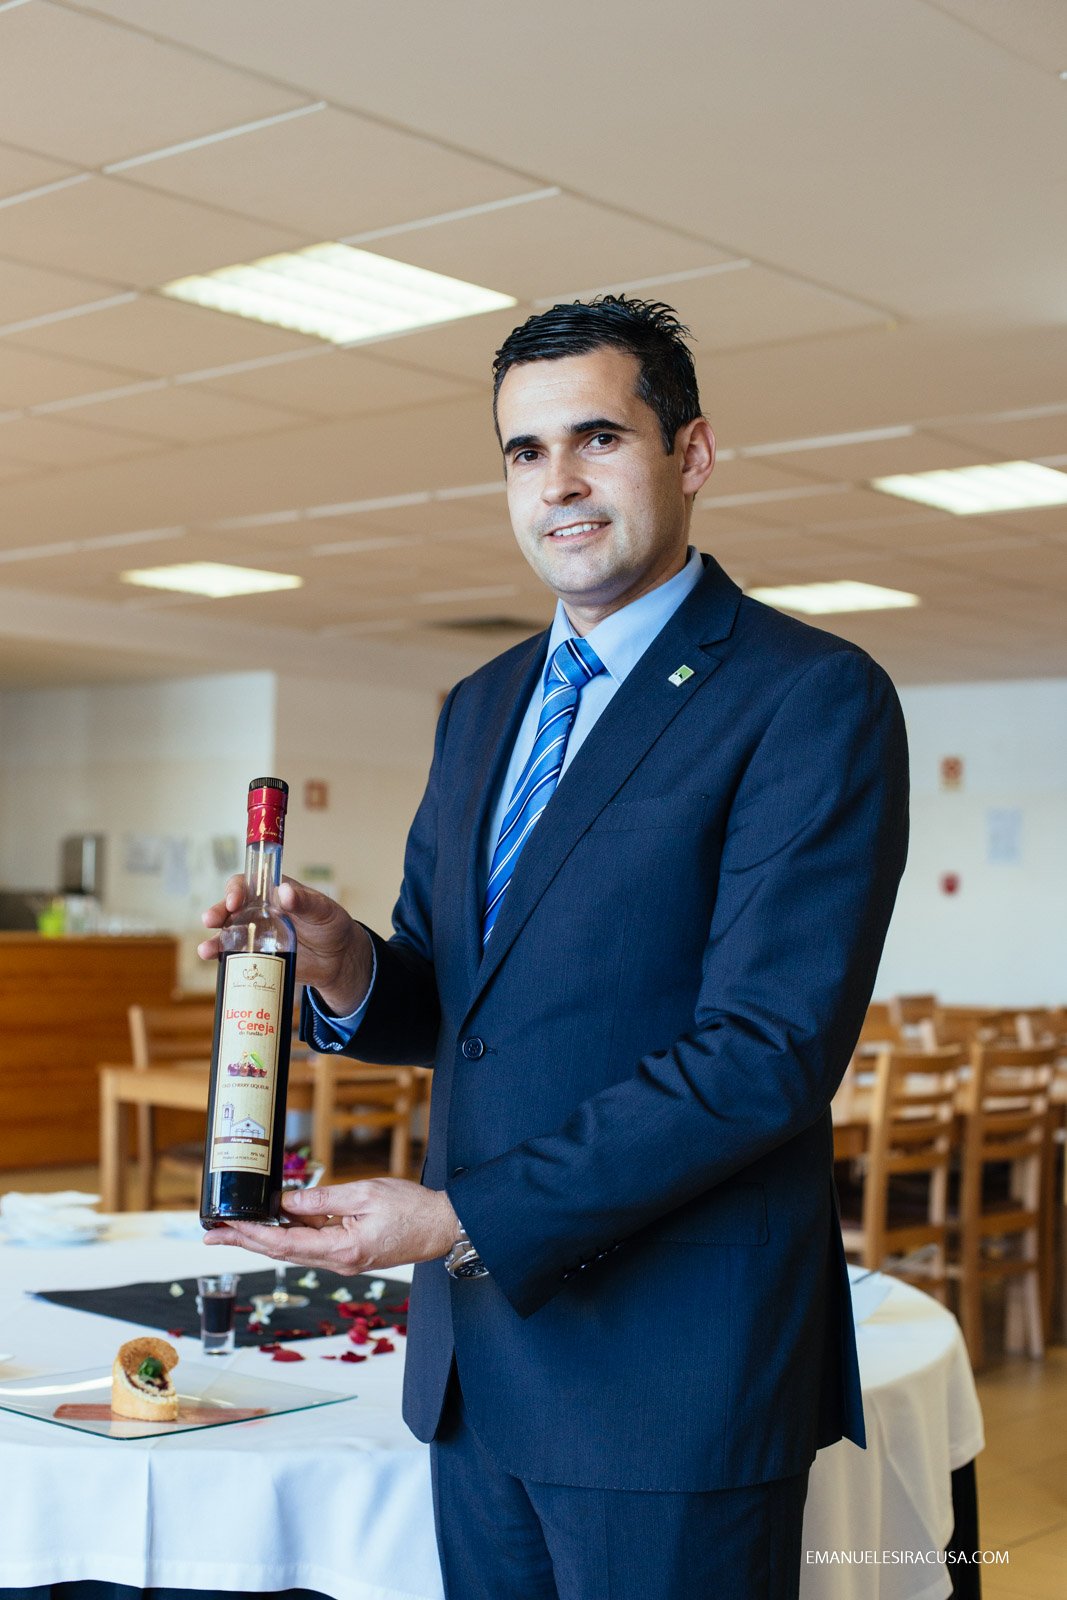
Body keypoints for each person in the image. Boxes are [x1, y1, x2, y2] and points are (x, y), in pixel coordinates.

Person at [201, 296, 909, 1600]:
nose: (560, 484)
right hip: (481, 1369)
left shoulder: (809, 698)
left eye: (598, 438)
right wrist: (347, 958)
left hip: (671, 1378)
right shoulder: (480, 706)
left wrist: (462, 1215)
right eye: (525, 452)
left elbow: (766, 1054)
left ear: (689, 454)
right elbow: (462, 1002)